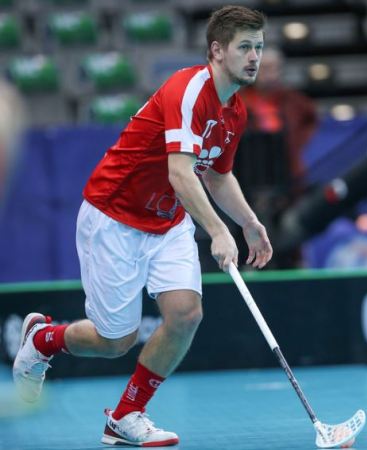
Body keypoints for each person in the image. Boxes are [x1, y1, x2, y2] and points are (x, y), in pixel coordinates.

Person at [13, 5, 272, 448]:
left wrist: (248, 222)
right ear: (217, 50)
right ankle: (44, 339)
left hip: (167, 220)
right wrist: (218, 231)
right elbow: (181, 173)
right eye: (244, 47)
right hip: (113, 216)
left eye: (259, 48)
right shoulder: (188, 90)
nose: (254, 57)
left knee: (186, 315)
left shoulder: (235, 112)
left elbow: (216, 174)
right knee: (116, 340)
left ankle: (126, 415)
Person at [239, 46, 318, 267]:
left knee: (290, 236)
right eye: (264, 68)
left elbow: (309, 118)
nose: (269, 73)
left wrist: (295, 145)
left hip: (288, 181)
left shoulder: (293, 101)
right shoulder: (240, 100)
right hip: (248, 182)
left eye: (274, 68)